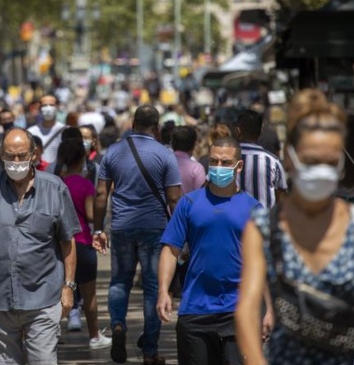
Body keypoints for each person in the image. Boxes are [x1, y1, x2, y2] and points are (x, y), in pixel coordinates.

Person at [235, 95, 354, 364]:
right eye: (310, 160)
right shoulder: (262, 228)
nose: (320, 170)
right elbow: (246, 311)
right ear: (290, 157)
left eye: (330, 162)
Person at [0, 128, 79, 365]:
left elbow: (67, 242)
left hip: (43, 300)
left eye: (22, 155)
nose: (16, 162)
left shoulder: (55, 188)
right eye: (10, 156)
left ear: (34, 154)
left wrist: (68, 287)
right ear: (0, 154)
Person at [157, 137, 262, 365]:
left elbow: (266, 263)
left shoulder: (254, 209)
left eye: (226, 163)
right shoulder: (189, 203)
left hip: (240, 311)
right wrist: (163, 291)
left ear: (239, 166)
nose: (219, 168)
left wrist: (268, 310)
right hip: (195, 309)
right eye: (214, 161)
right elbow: (171, 249)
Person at [93, 105, 182, 365]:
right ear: (156, 128)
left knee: (119, 281)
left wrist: (98, 228)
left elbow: (101, 195)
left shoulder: (113, 152)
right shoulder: (165, 155)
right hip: (155, 228)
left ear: (133, 124)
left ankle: (118, 326)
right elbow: (175, 198)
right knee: (154, 286)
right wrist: (180, 232)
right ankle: (150, 350)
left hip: (121, 226)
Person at [56, 137, 112, 349]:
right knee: (89, 295)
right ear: (82, 159)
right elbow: (90, 215)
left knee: (57, 293)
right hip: (83, 244)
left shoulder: (56, 184)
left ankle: (50, 334)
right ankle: (95, 336)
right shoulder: (86, 185)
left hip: (60, 246)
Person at [235, 109, 287, 209]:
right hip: (265, 221)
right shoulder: (273, 161)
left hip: (233, 222)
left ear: (238, 130)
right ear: (261, 131)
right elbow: (281, 195)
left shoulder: (227, 159)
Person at [27, 94, 67, 165]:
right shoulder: (31, 132)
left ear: (57, 107)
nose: (48, 108)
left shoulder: (66, 130)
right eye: (44, 105)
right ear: (39, 108)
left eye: (51, 105)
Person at [171, 126, 206, 194]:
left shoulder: (162, 162)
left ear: (172, 144)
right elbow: (200, 195)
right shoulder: (197, 168)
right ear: (194, 145)